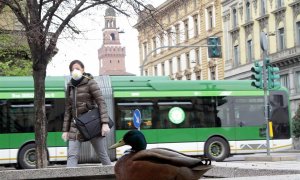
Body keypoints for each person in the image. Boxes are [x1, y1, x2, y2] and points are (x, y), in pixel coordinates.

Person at [62, 60, 112, 167]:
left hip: (90, 123)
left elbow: (101, 102)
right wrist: (65, 130)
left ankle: (112, 175)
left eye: (77, 69)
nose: (75, 71)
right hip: (75, 125)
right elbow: (68, 109)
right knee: (72, 155)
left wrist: (104, 123)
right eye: (72, 69)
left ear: (83, 69)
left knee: (102, 154)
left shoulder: (90, 82)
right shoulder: (70, 85)